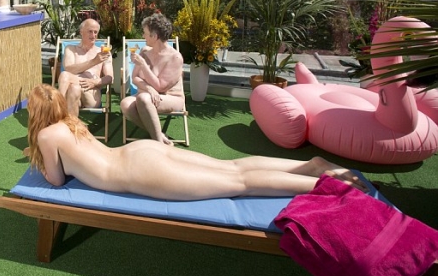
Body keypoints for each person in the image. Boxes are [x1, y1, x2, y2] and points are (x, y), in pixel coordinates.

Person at [27, 84, 368, 200]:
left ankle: (322, 184)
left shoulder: (46, 134)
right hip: (139, 151)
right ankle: (310, 166)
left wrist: (40, 162)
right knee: (231, 167)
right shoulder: (71, 123)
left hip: (139, 171)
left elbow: (56, 179)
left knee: (239, 184)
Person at [120, 13, 186, 144]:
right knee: (125, 104)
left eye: (145, 33)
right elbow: (134, 78)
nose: (143, 36)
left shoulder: (175, 58)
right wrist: (148, 88)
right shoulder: (144, 51)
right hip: (147, 94)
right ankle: (159, 135)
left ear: (155, 36)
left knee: (143, 98)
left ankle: (158, 144)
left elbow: (161, 87)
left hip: (171, 97)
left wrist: (143, 65)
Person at [57, 18, 113, 117]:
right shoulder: (70, 49)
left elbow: (110, 78)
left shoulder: (103, 53)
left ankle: (55, 110)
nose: (93, 35)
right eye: (90, 31)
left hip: (91, 95)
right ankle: (73, 127)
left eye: (96, 32)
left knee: (65, 76)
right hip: (73, 95)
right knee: (74, 88)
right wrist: (94, 61)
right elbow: (69, 68)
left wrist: (94, 82)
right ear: (81, 32)